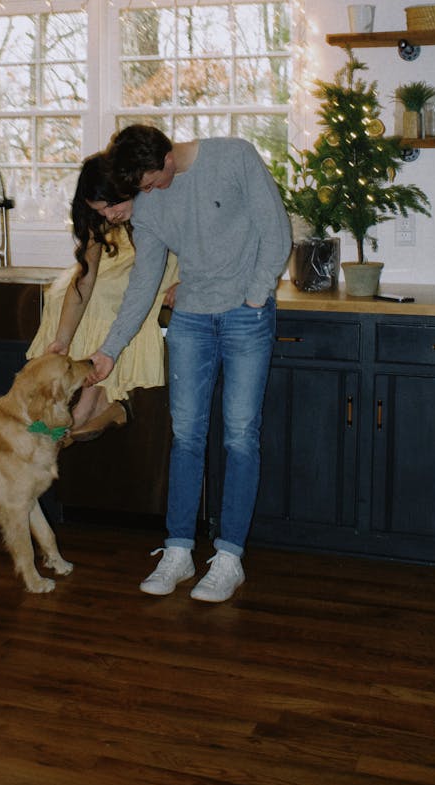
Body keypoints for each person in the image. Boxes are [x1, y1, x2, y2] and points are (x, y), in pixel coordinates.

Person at [88, 125, 291, 603]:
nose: (148, 191)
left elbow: (276, 230)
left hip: (246, 316)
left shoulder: (235, 157)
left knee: (241, 435)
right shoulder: (151, 200)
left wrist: (255, 296)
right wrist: (109, 349)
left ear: (168, 155)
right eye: (139, 186)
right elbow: (145, 280)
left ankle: (229, 558)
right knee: (186, 436)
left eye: (151, 179)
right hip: (192, 322)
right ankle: (178, 550)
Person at [27, 153, 178, 441]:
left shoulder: (155, 203)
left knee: (113, 290)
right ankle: (88, 395)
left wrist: (190, 282)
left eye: (112, 205)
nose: (109, 215)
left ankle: (97, 399)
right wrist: (62, 339)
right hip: (122, 253)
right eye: (100, 211)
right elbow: (85, 277)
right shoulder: (103, 219)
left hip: (161, 258)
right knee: (65, 291)